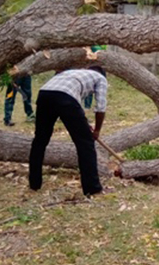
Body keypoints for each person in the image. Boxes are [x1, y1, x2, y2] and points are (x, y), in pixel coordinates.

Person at [29, 67, 108, 196]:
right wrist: (97, 130)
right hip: (65, 97)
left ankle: (34, 183)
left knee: (40, 140)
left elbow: (76, 106)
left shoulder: (72, 73)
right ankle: (92, 188)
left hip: (44, 93)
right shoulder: (100, 78)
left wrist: (84, 124)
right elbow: (101, 107)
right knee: (85, 143)